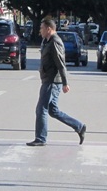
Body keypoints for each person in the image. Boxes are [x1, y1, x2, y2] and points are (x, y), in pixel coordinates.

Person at [27, 18, 86, 147]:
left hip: (52, 81)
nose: (40, 30)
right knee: (53, 110)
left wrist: (65, 82)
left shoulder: (55, 42)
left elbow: (61, 64)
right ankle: (79, 126)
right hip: (48, 79)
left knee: (41, 109)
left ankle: (40, 138)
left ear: (49, 29)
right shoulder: (46, 41)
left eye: (42, 28)